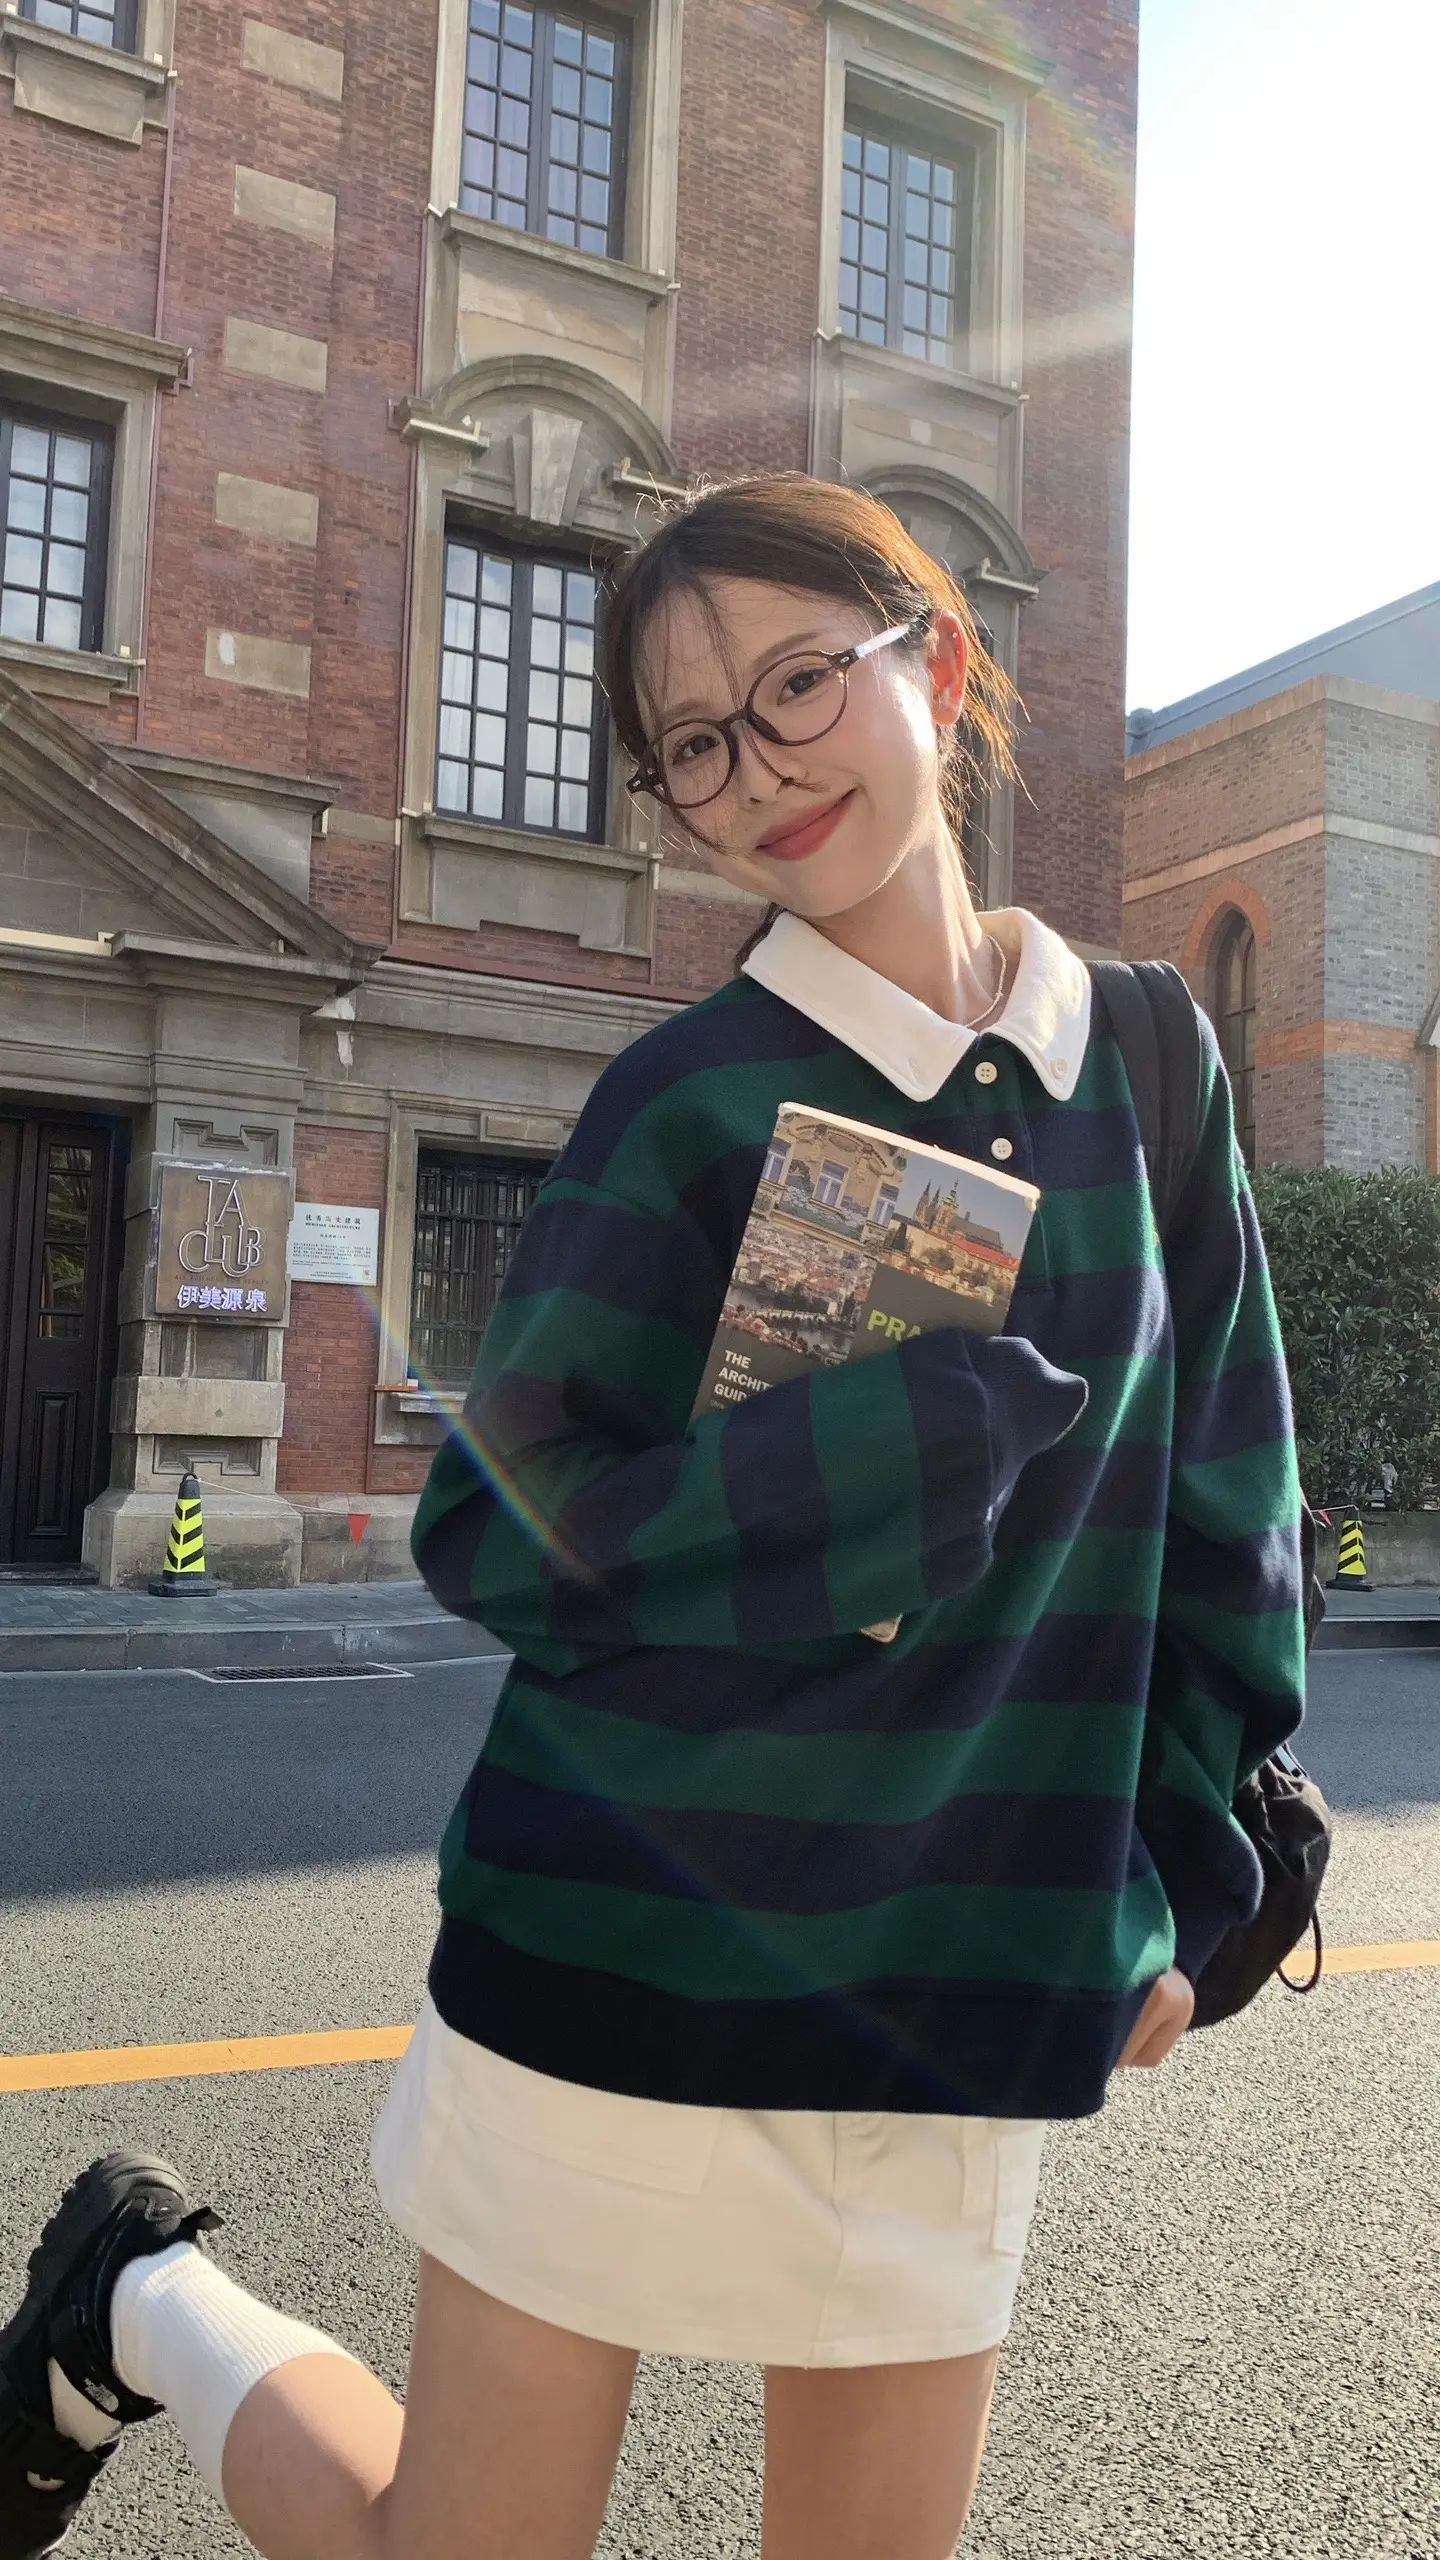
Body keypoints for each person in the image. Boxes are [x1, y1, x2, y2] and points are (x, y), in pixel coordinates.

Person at [0, 477, 1308, 2560]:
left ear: (939, 660)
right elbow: (495, 1531)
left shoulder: (1147, 1059)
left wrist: (1202, 1852)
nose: (753, 770)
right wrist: (863, 1473)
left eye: (797, 684)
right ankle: (142, 2300)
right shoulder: (690, 1096)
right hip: (619, 1947)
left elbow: (1229, 1490)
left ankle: (129, 2301)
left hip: (958, 1977)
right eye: (691, 741)